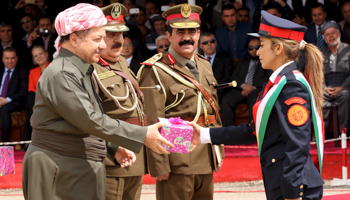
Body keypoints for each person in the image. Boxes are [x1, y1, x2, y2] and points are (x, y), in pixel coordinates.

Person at [22, 3, 173, 200]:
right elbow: (90, 120)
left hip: (75, 165)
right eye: (98, 38)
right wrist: (143, 134)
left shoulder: (80, 69)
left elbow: (81, 123)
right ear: (74, 39)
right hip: (59, 167)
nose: (103, 45)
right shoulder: (61, 73)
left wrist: (112, 147)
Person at [191, 11, 325, 200]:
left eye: (262, 46)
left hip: (294, 189)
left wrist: (293, 192)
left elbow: (297, 144)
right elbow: (253, 130)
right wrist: (204, 134)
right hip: (281, 182)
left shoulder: (291, 85)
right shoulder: (277, 83)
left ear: (278, 49)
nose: (258, 51)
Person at [138, 4, 223, 200]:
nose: (187, 37)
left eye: (192, 31)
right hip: (177, 157)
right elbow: (152, 119)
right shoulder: (155, 69)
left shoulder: (204, 65)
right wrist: (159, 164)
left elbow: (213, 110)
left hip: (206, 153)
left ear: (199, 34)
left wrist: (218, 148)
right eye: (180, 32)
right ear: (168, 35)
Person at [92, 4, 147, 200]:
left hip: (135, 155)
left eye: (121, 34)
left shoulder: (122, 62)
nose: (118, 40)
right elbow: (88, 119)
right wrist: (112, 148)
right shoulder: (90, 69)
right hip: (110, 159)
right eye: (111, 35)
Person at [220, 38, 270, 127]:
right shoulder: (241, 63)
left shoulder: (266, 62)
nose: (254, 50)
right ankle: (230, 132)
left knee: (255, 101)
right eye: (251, 48)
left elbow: (268, 78)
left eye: (257, 47)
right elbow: (233, 77)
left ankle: (253, 132)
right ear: (248, 50)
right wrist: (243, 86)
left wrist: (252, 87)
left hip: (256, 90)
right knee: (226, 101)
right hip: (240, 89)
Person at [320, 20, 350, 136]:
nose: (331, 36)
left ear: (339, 34)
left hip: (345, 86)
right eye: (327, 34)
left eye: (333, 33)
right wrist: (324, 88)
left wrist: (342, 87)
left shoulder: (348, 49)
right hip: (328, 87)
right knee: (319, 96)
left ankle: (344, 133)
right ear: (324, 38)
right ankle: (322, 134)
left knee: (346, 96)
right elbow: (318, 75)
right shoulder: (321, 53)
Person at [21, 45, 49, 151]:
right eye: (35, 56)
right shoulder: (33, 72)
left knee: (32, 108)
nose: (39, 57)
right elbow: (31, 90)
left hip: (50, 99)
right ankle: (29, 140)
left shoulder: (53, 68)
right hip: (36, 102)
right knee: (30, 100)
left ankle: (28, 140)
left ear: (46, 54)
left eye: (41, 54)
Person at [0, 47, 28, 143]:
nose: (10, 61)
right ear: (3, 59)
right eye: (7, 58)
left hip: (15, 102)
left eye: (12, 58)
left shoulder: (22, 72)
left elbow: (23, 92)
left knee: (4, 109)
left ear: (16, 59)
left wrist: (6, 100)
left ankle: (4, 144)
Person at [199, 32, 233, 102]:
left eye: (212, 41)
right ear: (201, 46)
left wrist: (212, 90)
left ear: (216, 43)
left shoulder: (226, 59)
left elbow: (227, 79)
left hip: (220, 93)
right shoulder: (196, 60)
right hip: (201, 93)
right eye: (205, 42)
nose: (209, 44)